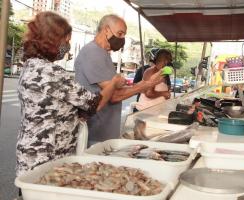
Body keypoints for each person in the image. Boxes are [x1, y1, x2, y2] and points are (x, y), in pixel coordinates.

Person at [16, 12, 124, 176]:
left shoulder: (30, 66)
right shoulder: (51, 73)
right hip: (48, 160)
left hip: (30, 156)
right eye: (66, 40)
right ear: (51, 40)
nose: (67, 45)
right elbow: (95, 103)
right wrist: (114, 83)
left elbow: (56, 107)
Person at [75, 14, 163, 144]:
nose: (122, 39)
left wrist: (145, 83)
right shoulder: (93, 53)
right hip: (95, 134)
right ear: (106, 30)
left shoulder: (103, 54)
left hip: (105, 132)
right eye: (120, 33)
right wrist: (145, 85)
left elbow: (117, 88)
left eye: (124, 35)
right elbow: (114, 95)